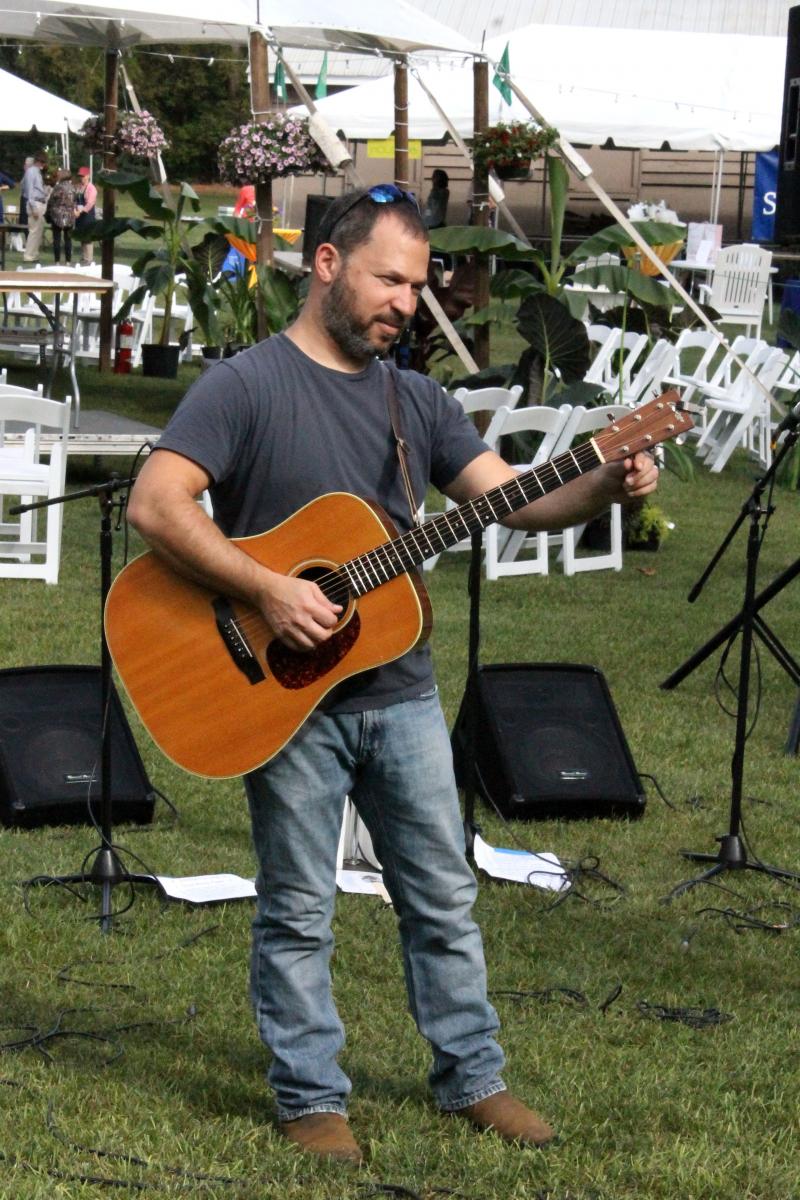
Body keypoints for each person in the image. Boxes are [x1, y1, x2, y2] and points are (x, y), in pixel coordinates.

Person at [127, 185, 658, 1166]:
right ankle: (309, 1096)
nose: (406, 304)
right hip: (283, 697)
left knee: (442, 894)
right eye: (389, 281)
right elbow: (157, 504)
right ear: (327, 264)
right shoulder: (245, 386)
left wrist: (600, 480)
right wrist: (269, 589)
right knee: (298, 907)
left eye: (416, 286)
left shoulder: (415, 400)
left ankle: (473, 1079)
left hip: (398, 688)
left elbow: (513, 500)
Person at [21, 153, 49, 263]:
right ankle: (28, 255)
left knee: (38, 232)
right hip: (35, 203)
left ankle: (34, 254)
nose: (44, 165)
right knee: (33, 231)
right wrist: (34, 208)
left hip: (40, 202)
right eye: (43, 162)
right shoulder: (31, 172)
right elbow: (29, 191)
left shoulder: (37, 172)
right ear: (39, 162)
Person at [47, 168, 76, 265]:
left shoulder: (58, 187)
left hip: (57, 216)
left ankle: (57, 261)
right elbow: (75, 201)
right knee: (68, 239)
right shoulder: (73, 188)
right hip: (70, 216)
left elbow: (51, 200)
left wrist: (49, 211)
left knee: (57, 239)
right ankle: (68, 261)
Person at [73, 165, 97, 265]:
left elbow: (90, 203)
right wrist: (75, 210)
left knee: (88, 237)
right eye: (80, 176)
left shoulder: (91, 188)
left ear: (88, 176)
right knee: (82, 236)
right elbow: (75, 200)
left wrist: (80, 211)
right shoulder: (79, 187)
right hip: (79, 215)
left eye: (83, 176)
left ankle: (89, 258)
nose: (81, 178)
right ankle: (84, 257)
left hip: (87, 215)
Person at [18, 156, 33, 226]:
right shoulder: (26, 174)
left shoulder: (30, 175)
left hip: (27, 199)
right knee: (23, 221)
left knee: (26, 221)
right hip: (24, 198)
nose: (24, 166)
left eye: (26, 164)